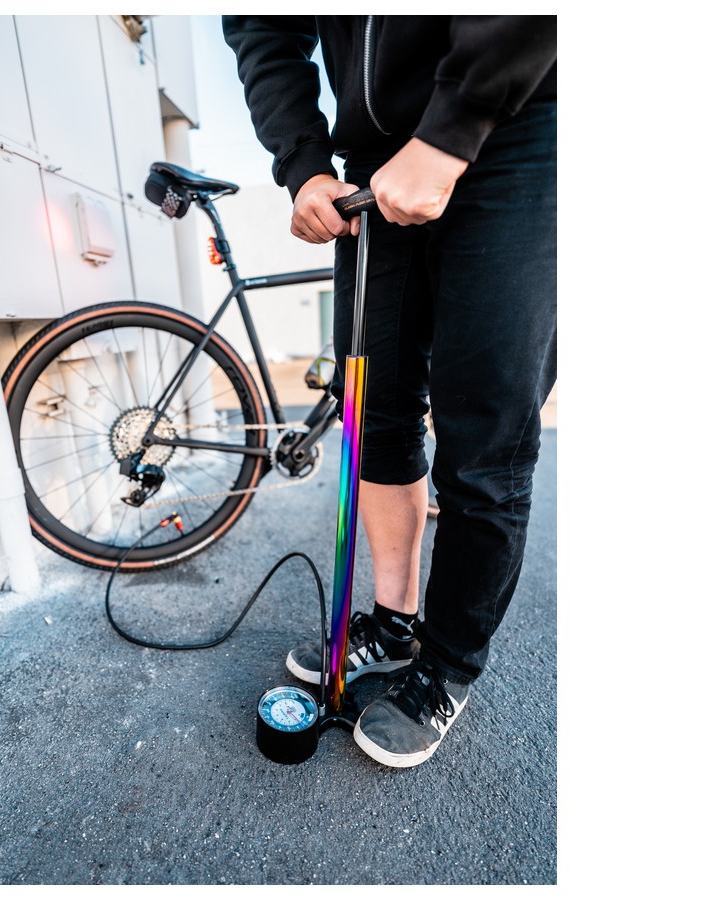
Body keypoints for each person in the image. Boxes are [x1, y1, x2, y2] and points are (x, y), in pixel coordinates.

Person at [222, 15, 557, 768]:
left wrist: (453, 128)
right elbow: (261, 26)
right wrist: (305, 164)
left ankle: (447, 664)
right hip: (371, 170)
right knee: (374, 417)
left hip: (520, 126)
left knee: (485, 441)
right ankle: (393, 623)